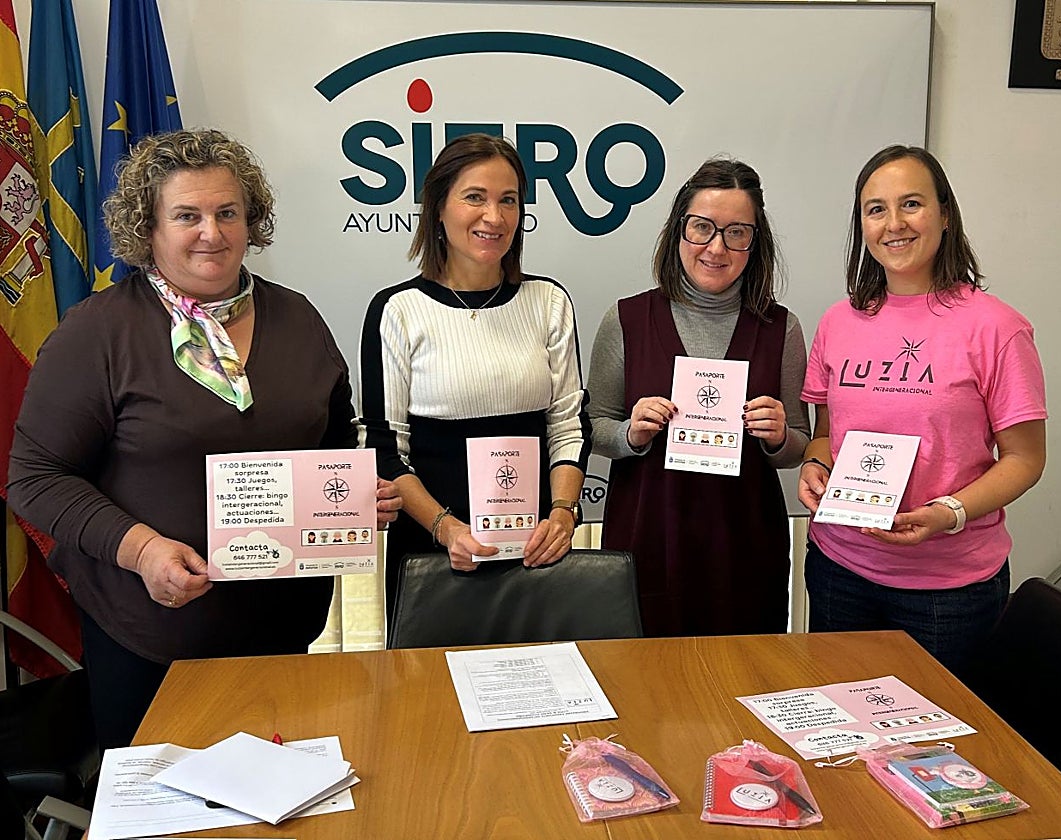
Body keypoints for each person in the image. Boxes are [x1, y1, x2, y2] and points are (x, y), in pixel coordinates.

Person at [5, 129, 402, 750]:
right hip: (151, 640)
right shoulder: (99, 334)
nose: (211, 233)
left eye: (227, 213)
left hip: (284, 630)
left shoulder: (297, 317)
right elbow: (33, 477)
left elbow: (332, 441)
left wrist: (353, 498)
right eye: (186, 215)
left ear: (252, 220)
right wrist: (140, 550)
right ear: (149, 228)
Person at [798, 145, 1046, 673]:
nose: (894, 224)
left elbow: (1025, 459)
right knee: (837, 738)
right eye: (876, 209)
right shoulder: (838, 322)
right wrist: (815, 467)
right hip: (839, 568)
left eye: (911, 204)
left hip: (947, 591)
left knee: (933, 752)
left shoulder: (997, 328)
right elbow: (825, 436)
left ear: (944, 215)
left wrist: (948, 514)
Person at [358, 133, 589, 613]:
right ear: (438, 208)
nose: (495, 217)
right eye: (475, 198)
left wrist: (564, 514)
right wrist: (448, 530)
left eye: (509, 200)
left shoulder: (549, 303)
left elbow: (567, 425)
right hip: (432, 558)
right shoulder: (397, 310)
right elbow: (385, 448)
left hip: (536, 554)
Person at [589, 158, 811, 636]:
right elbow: (594, 427)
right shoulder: (626, 319)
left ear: (755, 242)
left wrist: (777, 436)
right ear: (679, 231)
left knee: (745, 687)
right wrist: (632, 432)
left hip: (745, 545)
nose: (717, 247)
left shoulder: (781, 328)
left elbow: (799, 443)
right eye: (702, 227)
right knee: (645, 685)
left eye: (736, 232)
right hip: (648, 536)